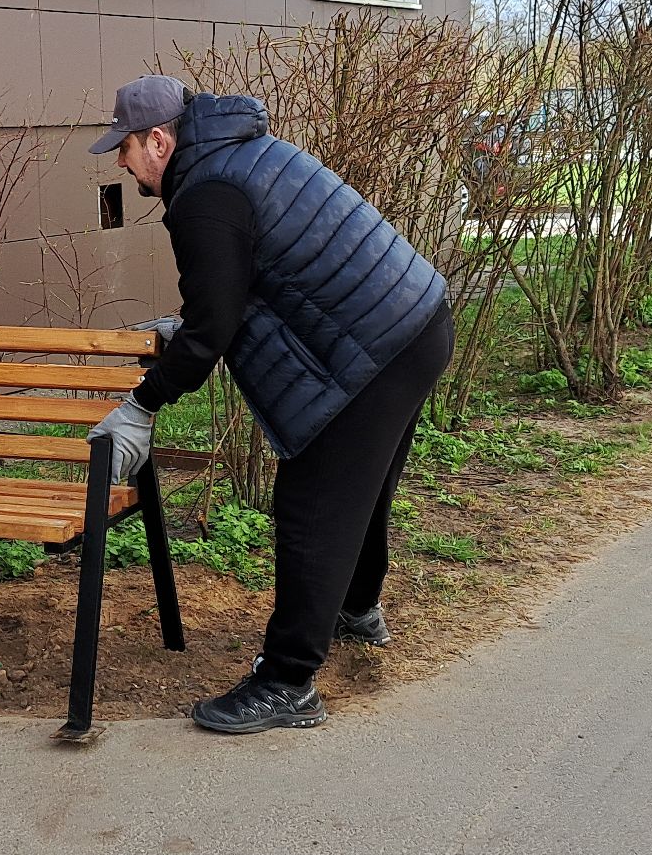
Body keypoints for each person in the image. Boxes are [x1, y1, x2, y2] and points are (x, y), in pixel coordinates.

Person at [87, 75, 453, 734]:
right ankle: (354, 611)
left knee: (311, 506)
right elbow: (237, 293)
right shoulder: (236, 157)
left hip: (378, 344)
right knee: (357, 492)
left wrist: (142, 403)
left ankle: (287, 682)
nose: (121, 161)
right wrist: (193, 324)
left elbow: (211, 332)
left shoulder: (205, 195)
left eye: (126, 147)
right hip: (415, 318)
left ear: (160, 140)